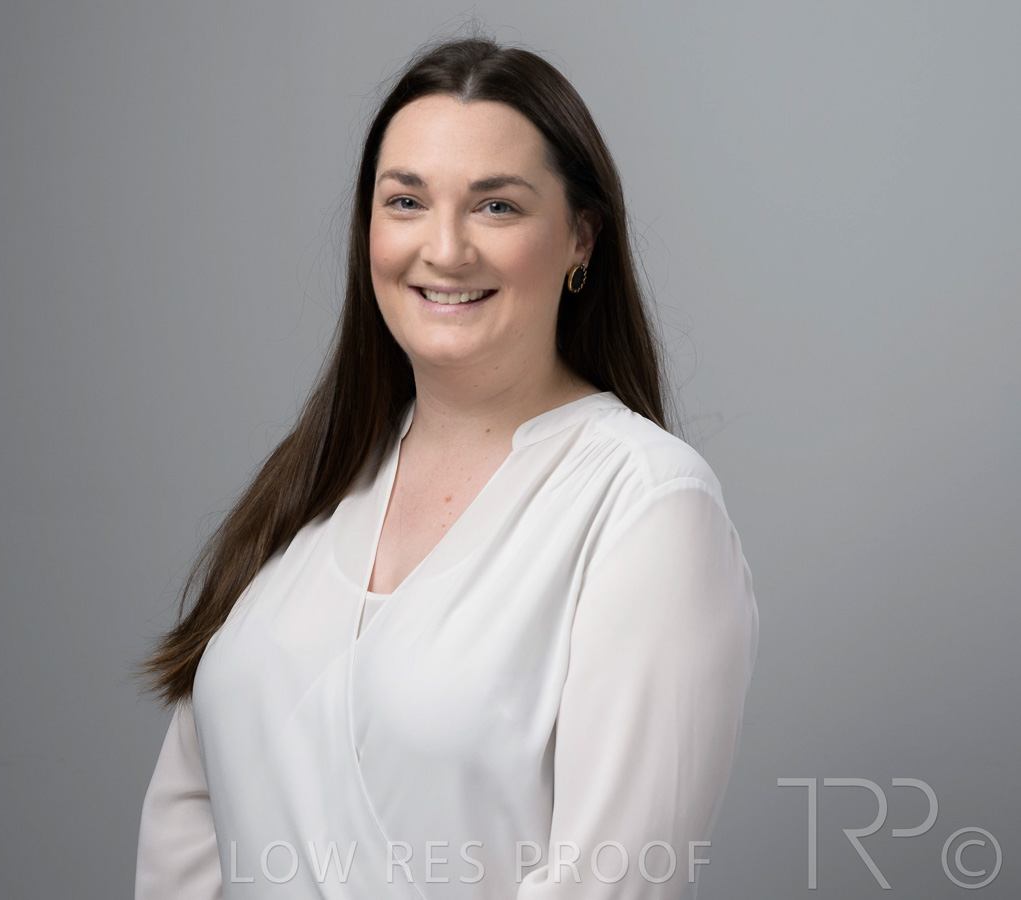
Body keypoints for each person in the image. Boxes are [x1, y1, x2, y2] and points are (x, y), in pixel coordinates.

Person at [134, 36, 759, 900]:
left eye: (495, 206)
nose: (445, 248)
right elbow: (184, 834)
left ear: (580, 238)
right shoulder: (313, 482)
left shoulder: (645, 505)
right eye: (405, 201)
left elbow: (610, 885)